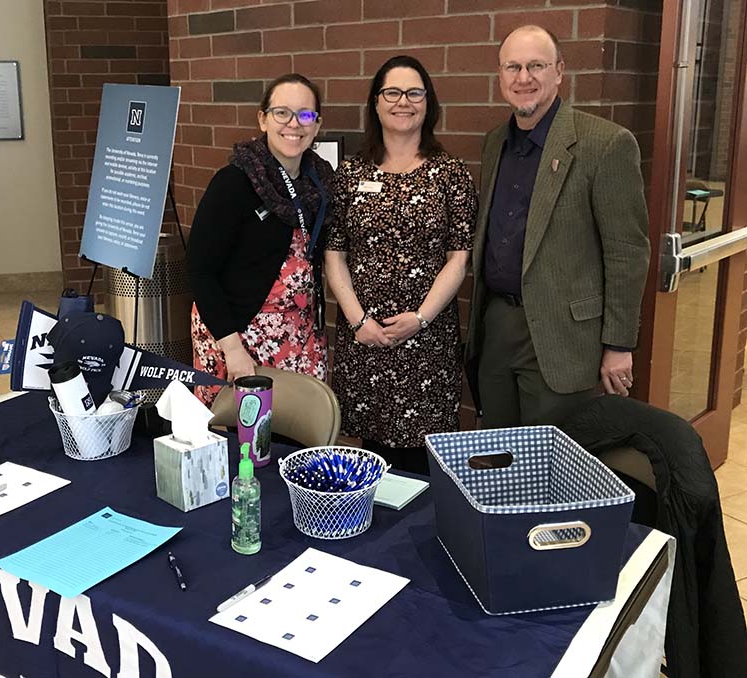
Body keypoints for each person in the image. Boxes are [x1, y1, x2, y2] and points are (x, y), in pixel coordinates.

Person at [466, 25, 651, 429]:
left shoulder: (605, 144)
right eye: (512, 67)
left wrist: (618, 345)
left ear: (559, 71)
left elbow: (627, 251)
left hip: (564, 337)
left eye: (536, 65)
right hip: (497, 324)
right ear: (500, 76)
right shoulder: (495, 141)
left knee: (555, 466)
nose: (524, 78)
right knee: (497, 454)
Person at [325, 56, 477, 474]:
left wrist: (421, 318)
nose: (403, 102)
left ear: (428, 104)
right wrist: (357, 322)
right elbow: (334, 255)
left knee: (423, 464)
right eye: (392, 92)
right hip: (366, 336)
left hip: (426, 341)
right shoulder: (352, 174)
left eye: (414, 93)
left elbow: (459, 259)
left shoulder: (451, 174)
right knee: (371, 458)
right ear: (376, 103)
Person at [186, 74, 333, 405]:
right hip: (237, 333)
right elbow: (200, 270)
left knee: (298, 430)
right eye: (282, 113)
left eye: (306, 115)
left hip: (299, 332)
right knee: (242, 438)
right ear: (263, 119)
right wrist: (232, 348)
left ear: (317, 124)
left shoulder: (320, 184)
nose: (294, 124)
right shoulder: (234, 182)